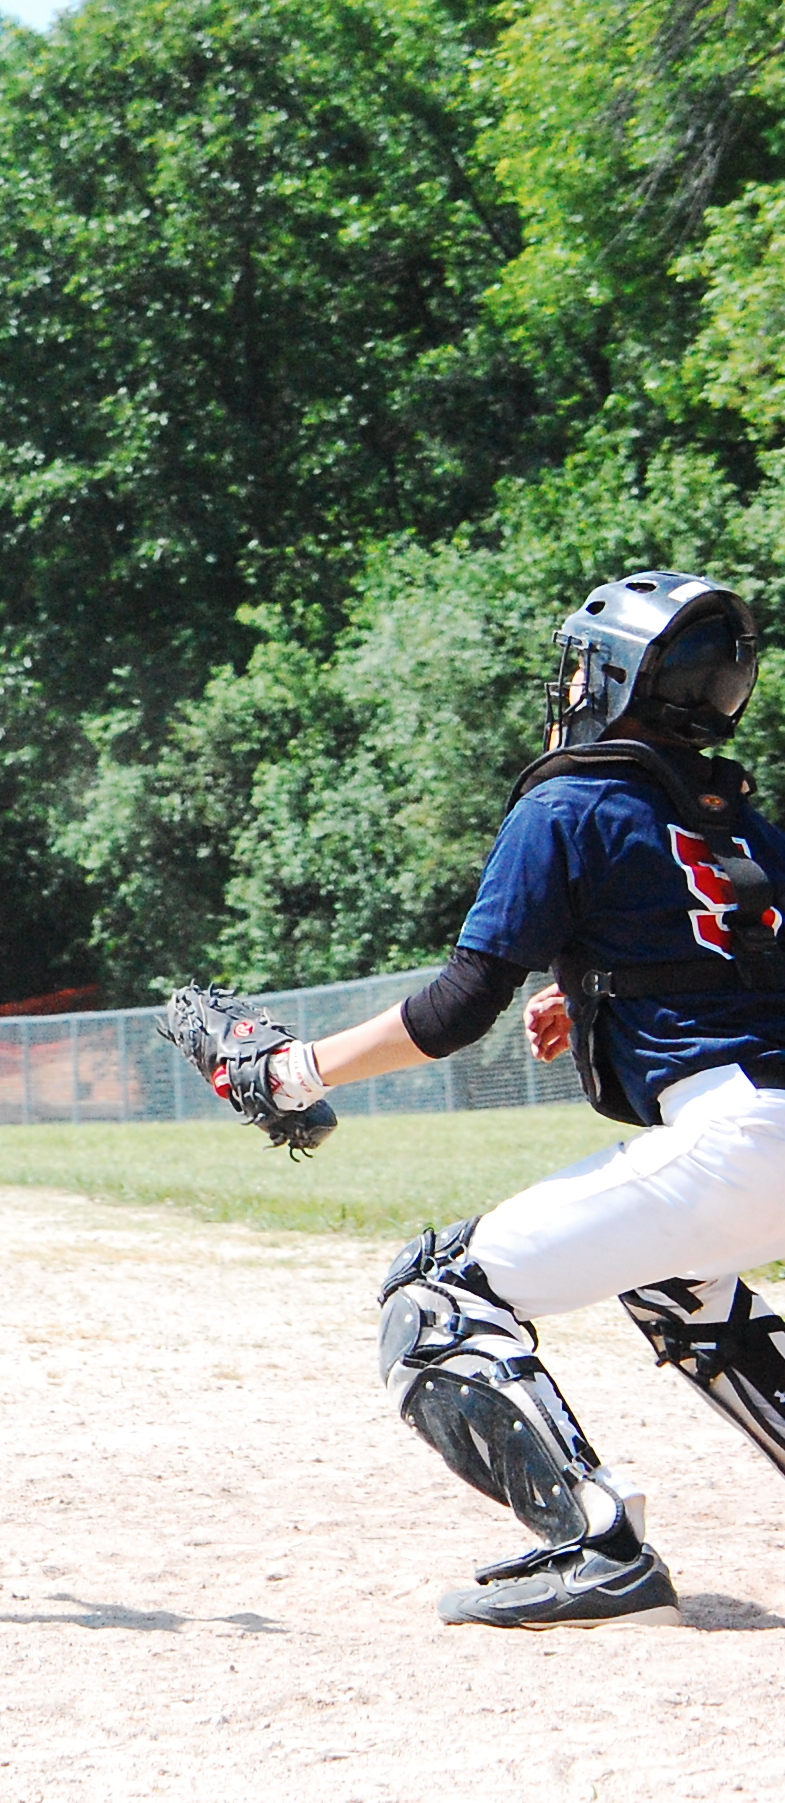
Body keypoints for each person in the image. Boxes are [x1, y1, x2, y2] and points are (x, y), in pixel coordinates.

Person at [163, 570, 785, 1630]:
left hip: (739, 1140)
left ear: (612, 678)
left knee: (436, 1299)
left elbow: (455, 1007)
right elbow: (720, 960)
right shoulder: (743, 822)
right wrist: (596, 992)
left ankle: (595, 1549)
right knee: (673, 1277)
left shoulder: (568, 800)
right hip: (753, 1133)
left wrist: (291, 1072)